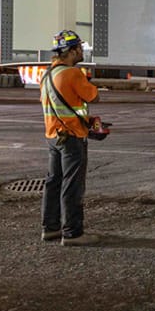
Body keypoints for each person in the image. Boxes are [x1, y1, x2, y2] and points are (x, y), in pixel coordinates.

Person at [39, 30, 100, 246]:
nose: (82, 51)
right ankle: (73, 234)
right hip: (72, 137)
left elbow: (61, 104)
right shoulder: (72, 74)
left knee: (53, 183)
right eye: (80, 48)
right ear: (71, 51)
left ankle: (50, 228)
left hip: (53, 137)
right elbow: (94, 95)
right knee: (72, 185)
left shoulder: (47, 76)